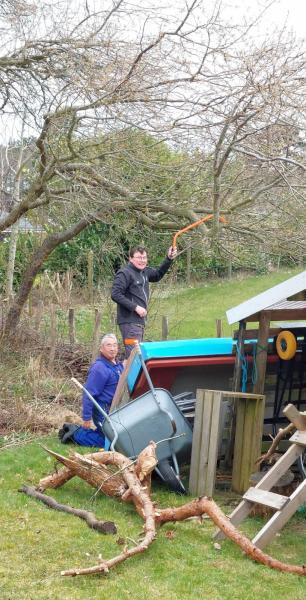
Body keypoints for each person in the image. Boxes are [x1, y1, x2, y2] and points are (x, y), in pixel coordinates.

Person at [111, 245, 177, 357]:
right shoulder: (125, 273)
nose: (142, 260)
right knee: (135, 357)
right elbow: (115, 294)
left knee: (133, 357)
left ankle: (124, 372)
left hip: (139, 322)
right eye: (139, 257)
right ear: (130, 258)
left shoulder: (145, 272)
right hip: (129, 321)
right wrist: (135, 307)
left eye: (144, 258)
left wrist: (169, 259)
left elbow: (157, 275)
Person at [82, 333, 124, 431]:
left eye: (114, 345)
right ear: (101, 348)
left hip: (116, 410)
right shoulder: (99, 368)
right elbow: (89, 393)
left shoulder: (119, 366)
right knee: (112, 441)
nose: (112, 348)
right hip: (103, 412)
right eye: (108, 345)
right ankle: (76, 434)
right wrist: (86, 418)